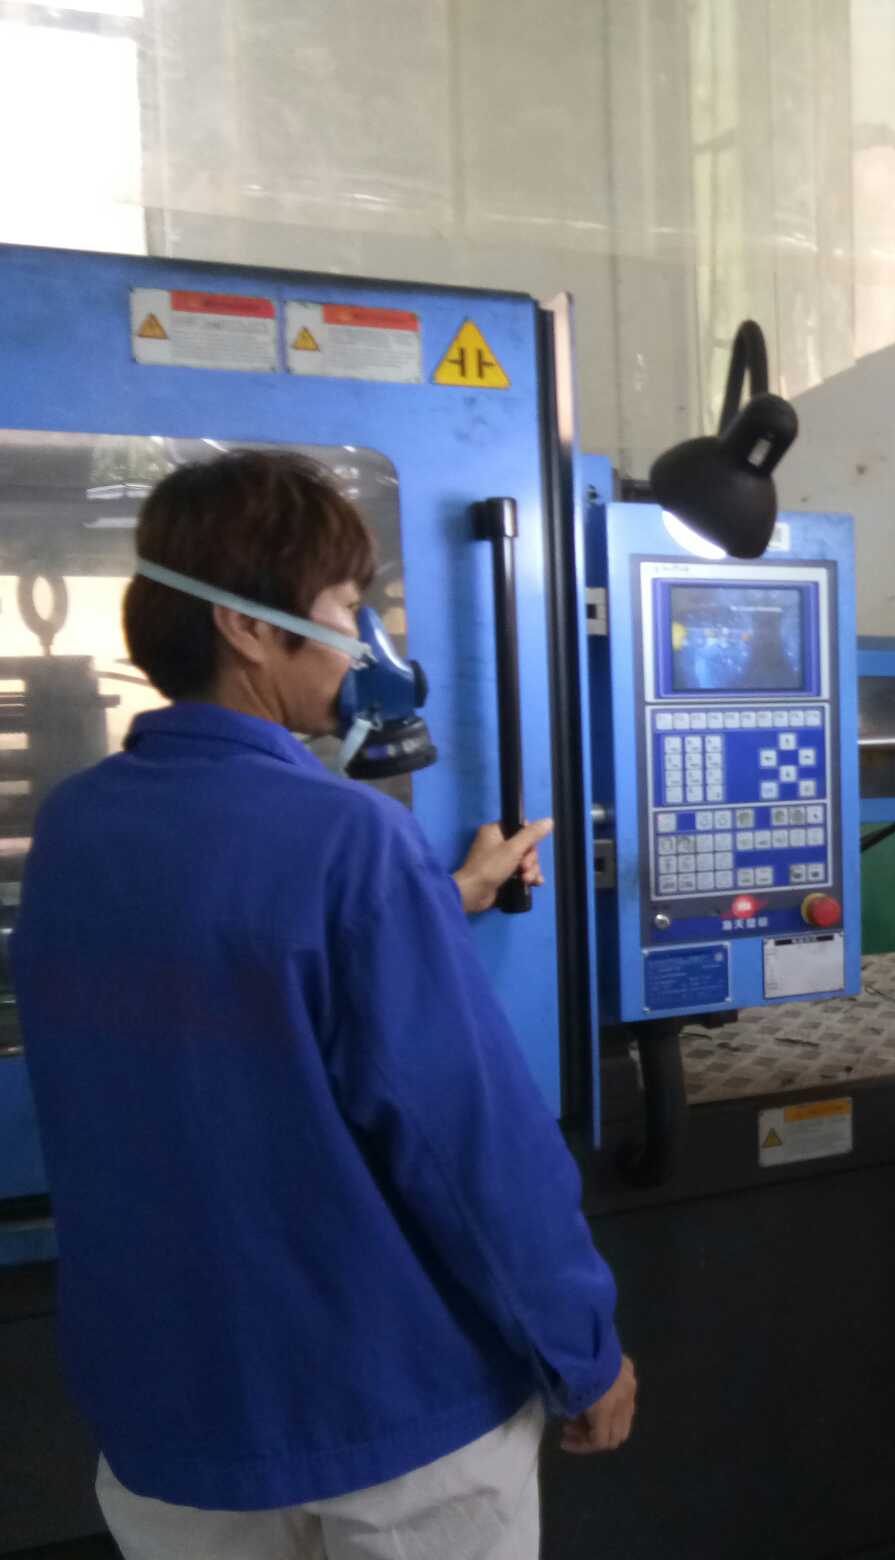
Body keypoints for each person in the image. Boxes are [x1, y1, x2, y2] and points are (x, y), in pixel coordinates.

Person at [14, 451, 636, 1560]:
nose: (366, 643)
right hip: (394, 1424)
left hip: (176, 1427)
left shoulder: (76, 827)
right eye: (349, 609)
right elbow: (466, 1146)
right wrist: (581, 1351)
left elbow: (232, 971)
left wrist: (441, 897)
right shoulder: (352, 839)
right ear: (248, 629)